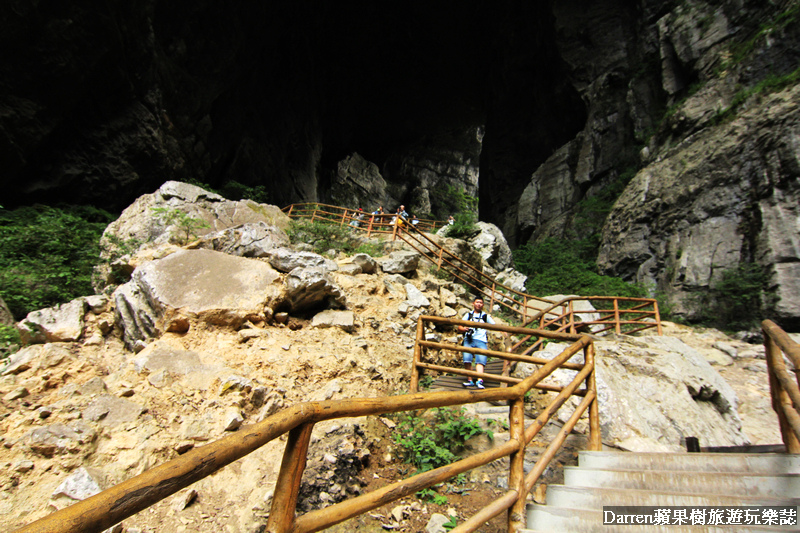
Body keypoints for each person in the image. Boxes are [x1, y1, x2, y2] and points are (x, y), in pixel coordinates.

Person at [458, 296, 495, 389]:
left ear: (483, 305)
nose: (479, 304)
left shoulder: (485, 316)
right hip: (468, 339)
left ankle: (479, 380)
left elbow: (495, 325)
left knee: (480, 361)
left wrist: (504, 332)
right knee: (467, 359)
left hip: (481, 340)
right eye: (477, 302)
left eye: (481, 303)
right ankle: (470, 380)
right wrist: (464, 329)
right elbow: (459, 327)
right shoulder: (468, 315)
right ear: (473, 303)